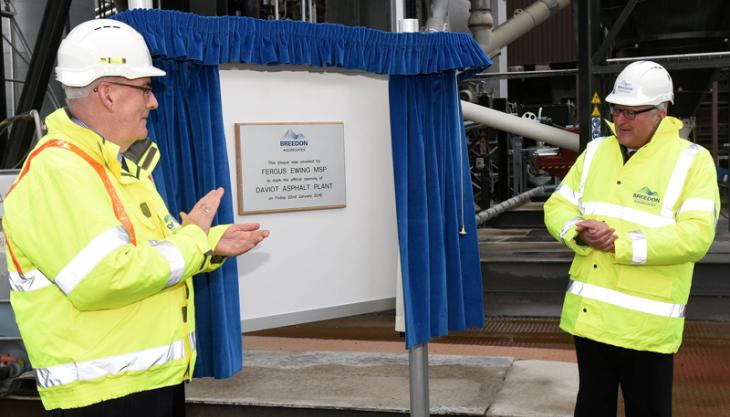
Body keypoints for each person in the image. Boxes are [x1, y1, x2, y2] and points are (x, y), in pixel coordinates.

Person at [2, 19, 269, 416]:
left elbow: (151, 255)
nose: (154, 102)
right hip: (105, 397)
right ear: (107, 94)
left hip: (142, 386)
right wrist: (193, 239)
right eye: (145, 89)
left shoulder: (114, 168)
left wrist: (208, 244)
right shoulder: (61, 171)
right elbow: (104, 278)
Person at [544, 60, 720, 417]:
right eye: (616, 110)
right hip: (591, 322)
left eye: (631, 112)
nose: (620, 120)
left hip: (646, 331)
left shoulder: (692, 162)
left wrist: (621, 244)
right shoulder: (595, 153)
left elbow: (696, 236)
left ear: (661, 113)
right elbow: (556, 205)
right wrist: (577, 230)